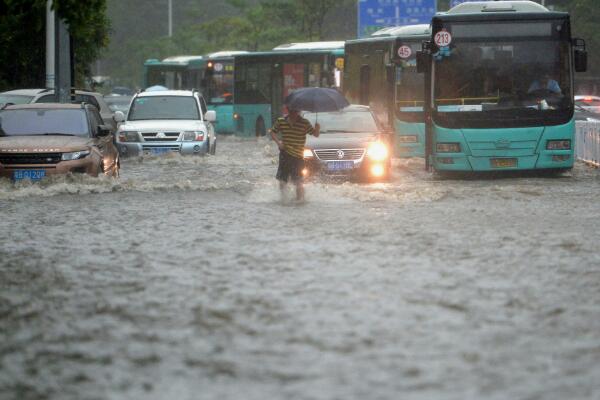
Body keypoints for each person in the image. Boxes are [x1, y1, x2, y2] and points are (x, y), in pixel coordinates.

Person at [269, 108, 320, 202]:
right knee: (282, 180)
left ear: (298, 112)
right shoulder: (281, 121)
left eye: (296, 111)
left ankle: (299, 201)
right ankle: (283, 200)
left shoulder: (304, 123)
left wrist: (317, 128)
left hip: (298, 157)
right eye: (292, 111)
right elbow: (272, 132)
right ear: (288, 110)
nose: (294, 113)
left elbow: (315, 134)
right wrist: (279, 143)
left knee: (298, 181)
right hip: (285, 155)